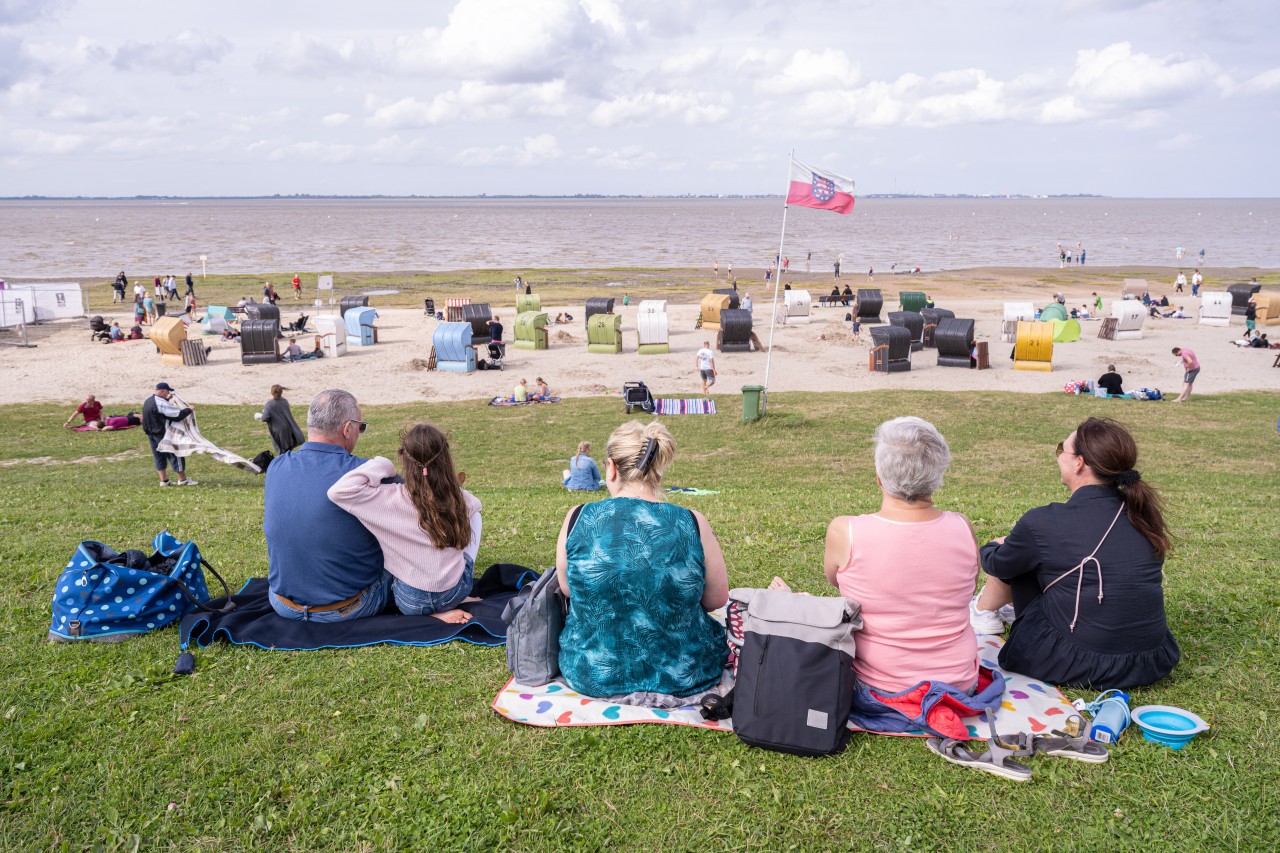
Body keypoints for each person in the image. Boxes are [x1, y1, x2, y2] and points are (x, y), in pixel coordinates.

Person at [971, 418, 1179, 689]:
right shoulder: (1143, 514)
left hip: (1080, 662)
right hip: (1149, 660)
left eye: (1062, 450)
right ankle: (995, 610)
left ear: (1079, 463)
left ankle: (982, 611)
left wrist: (994, 545)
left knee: (1019, 554)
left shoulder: (1045, 521)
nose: (1059, 457)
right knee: (1035, 552)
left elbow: (999, 564)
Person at [556, 421, 728, 698]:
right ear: (658, 469)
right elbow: (716, 600)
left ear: (611, 468)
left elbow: (567, 589)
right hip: (685, 673)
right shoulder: (692, 521)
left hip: (592, 672)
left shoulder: (578, 516)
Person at [822, 417, 980, 692]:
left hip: (878, 685)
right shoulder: (962, 526)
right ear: (938, 475)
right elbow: (969, 585)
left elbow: (837, 582)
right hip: (960, 683)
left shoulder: (845, 531)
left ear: (879, 478)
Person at [328, 422, 482, 623]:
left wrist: (383, 464)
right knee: (474, 516)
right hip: (456, 592)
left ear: (404, 458)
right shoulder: (460, 498)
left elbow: (338, 492)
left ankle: (433, 615)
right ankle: (448, 602)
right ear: (446, 459)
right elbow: (475, 507)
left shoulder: (387, 498)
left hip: (411, 602)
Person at [264, 389, 390, 622]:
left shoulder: (277, 466)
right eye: (360, 427)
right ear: (347, 428)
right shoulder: (362, 473)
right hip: (348, 607)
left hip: (282, 603)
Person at [141, 382, 196, 486]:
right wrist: (189, 409)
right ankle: (183, 480)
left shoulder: (148, 400)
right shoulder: (160, 403)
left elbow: (158, 411)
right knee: (175, 454)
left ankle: (164, 480)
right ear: (162, 391)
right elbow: (177, 415)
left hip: (151, 433)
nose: (168, 394)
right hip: (162, 433)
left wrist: (168, 399)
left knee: (158, 456)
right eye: (167, 392)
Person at [258, 384, 305, 455]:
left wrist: (260, 416)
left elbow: (264, 418)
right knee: (288, 448)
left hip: (278, 431)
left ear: (272, 393)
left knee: (282, 451)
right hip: (288, 428)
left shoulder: (269, 404)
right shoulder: (285, 401)